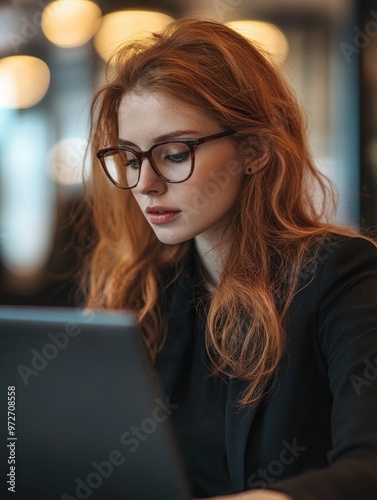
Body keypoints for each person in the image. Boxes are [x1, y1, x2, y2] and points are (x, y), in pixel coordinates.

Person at [81, 18, 377, 500]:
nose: (145, 184)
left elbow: (369, 467)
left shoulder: (340, 275)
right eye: (132, 159)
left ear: (255, 149)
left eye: (174, 154)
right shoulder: (145, 288)